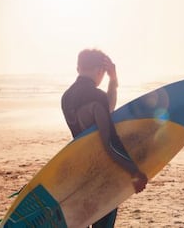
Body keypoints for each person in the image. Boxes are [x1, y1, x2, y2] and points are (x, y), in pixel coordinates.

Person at [61, 49, 148, 227]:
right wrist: (134, 170)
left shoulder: (66, 97)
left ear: (78, 68)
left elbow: (104, 112)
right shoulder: (96, 96)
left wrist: (113, 81)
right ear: (101, 70)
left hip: (79, 174)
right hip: (101, 174)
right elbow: (109, 141)